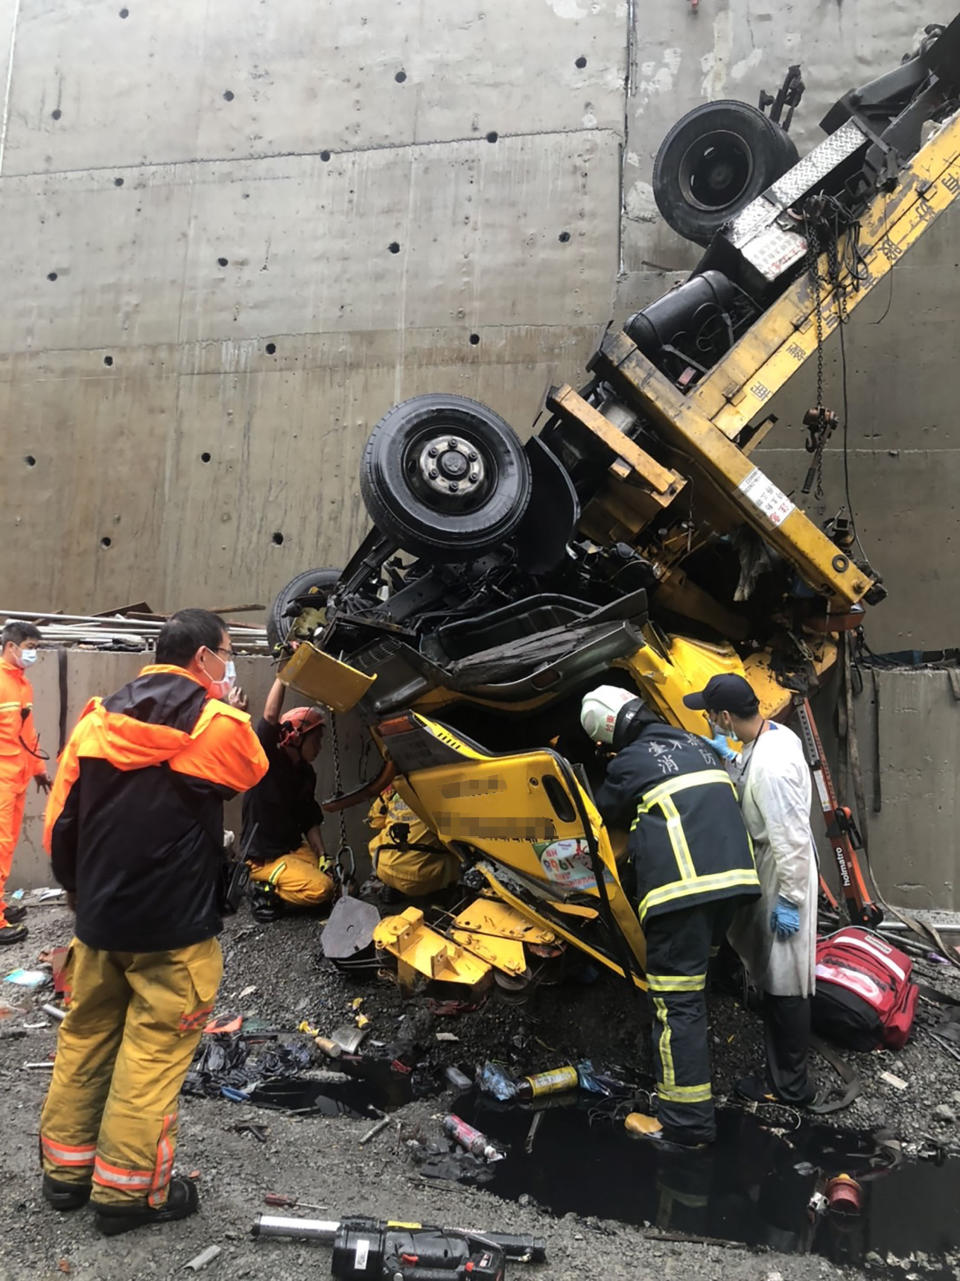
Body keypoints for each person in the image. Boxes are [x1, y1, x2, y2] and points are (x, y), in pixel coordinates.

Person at [39, 609, 268, 1235]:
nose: (229, 663)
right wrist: (229, 706)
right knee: (152, 1056)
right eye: (226, 652)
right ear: (203, 659)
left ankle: (65, 1176)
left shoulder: (94, 722)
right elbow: (250, 770)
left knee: (84, 1042)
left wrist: (81, 897)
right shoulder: (213, 723)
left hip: (100, 923)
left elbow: (60, 824)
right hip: (173, 931)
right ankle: (128, 1195)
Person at [582, 685, 760, 1150]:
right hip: (734, 884)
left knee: (674, 1001)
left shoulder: (628, 763)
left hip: (683, 891)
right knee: (700, 980)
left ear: (609, 735)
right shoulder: (695, 742)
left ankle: (685, 1125)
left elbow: (602, 813)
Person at [682, 673, 818, 1107]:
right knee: (776, 974)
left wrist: (791, 901)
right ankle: (783, 1075)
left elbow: (792, 840)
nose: (708, 720)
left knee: (787, 981)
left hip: (784, 871)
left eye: (710, 714)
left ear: (724, 716)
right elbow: (753, 776)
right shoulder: (774, 736)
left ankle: (790, 1087)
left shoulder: (772, 769)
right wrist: (731, 761)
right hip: (775, 864)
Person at [242, 678, 334, 919]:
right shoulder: (267, 760)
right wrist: (284, 675)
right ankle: (260, 886)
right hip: (264, 856)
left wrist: (324, 856)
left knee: (325, 877)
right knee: (322, 889)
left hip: (289, 848)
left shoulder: (305, 773)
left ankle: (277, 883)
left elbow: (308, 817)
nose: (320, 746)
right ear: (295, 737)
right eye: (316, 739)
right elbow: (271, 716)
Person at [0, 621, 53, 944]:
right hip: (1, 779)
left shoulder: (21, 685)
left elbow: (27, 734)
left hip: (16, 778)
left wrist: (38, 770)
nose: (34, 654)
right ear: (11, 647)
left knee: (6, 848)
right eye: (31, 647)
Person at [367, 785, 460, 899]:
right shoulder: (444, 795)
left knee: (388, 834)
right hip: (420, 879)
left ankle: (391, 885)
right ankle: (444, 895)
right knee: (459, 850)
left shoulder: (394, 789)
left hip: (381, 866)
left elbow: (374, 822)